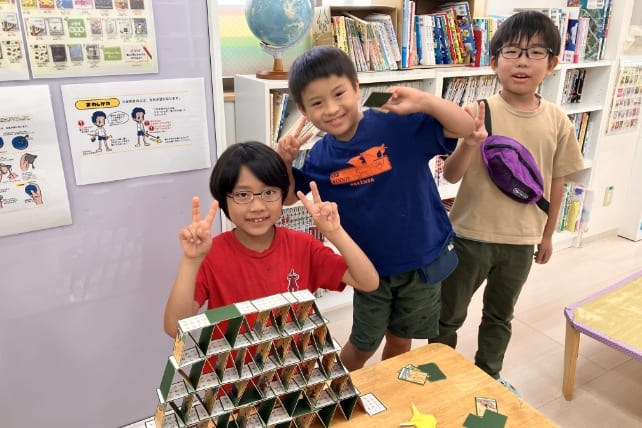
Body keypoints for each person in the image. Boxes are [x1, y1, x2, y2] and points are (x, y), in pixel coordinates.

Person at [277, 45, 475, 370]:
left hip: (422, 262)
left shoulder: (395, 124)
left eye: (339, 93)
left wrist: (425, 101)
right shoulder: (320, 157)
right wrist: (285, 161)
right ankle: (336, 393)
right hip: (370, 271)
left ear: (357, 88)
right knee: (361, 346)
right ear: (303, 110)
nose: (331, 109)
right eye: (317, 103)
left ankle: (388, 396)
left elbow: (466, 128)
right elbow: (287, 197)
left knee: (401, 341)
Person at [430, 11, 585, 391]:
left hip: (521, 242)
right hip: (468, 236)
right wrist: (470, 143)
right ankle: (438, 377)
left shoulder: (558, 121)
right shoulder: (476, 111)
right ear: (494, 61)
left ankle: (489, 376)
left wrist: (547, 236)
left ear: (552, 63)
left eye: (535, 52)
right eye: (512, 51)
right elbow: (452, 175)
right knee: (447, 316)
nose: (522, 62)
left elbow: (557, 182)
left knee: (500, 316)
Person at [163, 141, 378, 338]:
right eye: (242, 195)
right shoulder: (210, 254)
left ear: (283, 194)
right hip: (234, 367)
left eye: (268, 192)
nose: (257, 206)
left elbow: (368, 282)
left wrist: (335, 232)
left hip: (293, 365)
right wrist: (191, 260)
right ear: (224, 199)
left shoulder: (303, 246)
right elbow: (175, 328)